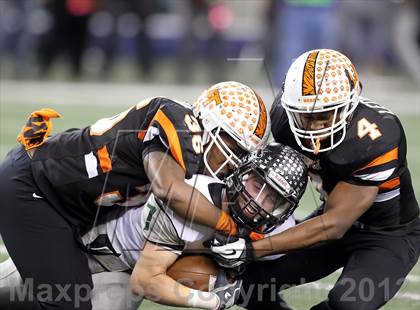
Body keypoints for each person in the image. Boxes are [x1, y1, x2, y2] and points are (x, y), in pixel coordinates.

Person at [0, 81, 270, 309]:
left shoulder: (193, 153)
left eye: (243, 154)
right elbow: (169, 190)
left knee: (57, 290)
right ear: (208, 123)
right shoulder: (175, 119)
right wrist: (227, 225)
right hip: (35, 187)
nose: (235, 161)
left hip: (73, 207)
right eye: (231, 145)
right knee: (70, 300)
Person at [208, 49, 420, 310]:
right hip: (332, 218)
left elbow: (333, 225)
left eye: (324, 116)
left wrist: (254, 248)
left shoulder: (377, 138)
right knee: (248, 281)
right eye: (306, 116)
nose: (315, 128)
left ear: (348, 108)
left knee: (348, 304)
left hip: (387, 235)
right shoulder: (284, 121)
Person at [0, 143, 308, 310]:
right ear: (243, 174)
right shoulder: (192, 200)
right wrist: (212, 300)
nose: (258, 200)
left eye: (273, 199)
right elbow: (145, 282)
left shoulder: (280, 231)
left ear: (285, 211)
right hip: (94, 252)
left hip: (127, 271)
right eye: (257, 185)